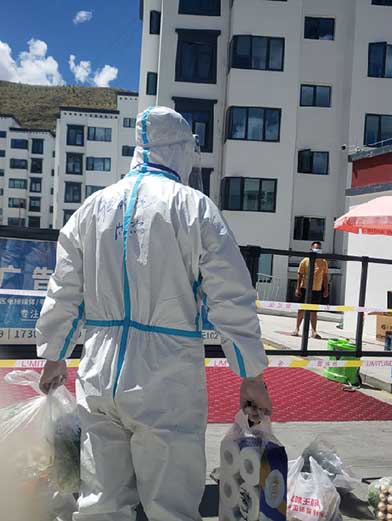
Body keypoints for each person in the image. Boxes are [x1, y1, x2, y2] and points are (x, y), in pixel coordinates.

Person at [36, 107, 271, 521]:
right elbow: (230, 295)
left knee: (101, 502)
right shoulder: (194, 208)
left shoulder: (91, 209)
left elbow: (64, 289)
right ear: (180, 150)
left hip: (100, 370)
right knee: (170, 505)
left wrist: (54, 354)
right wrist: (250, 373)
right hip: (166, 378)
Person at [292, 241, 329, 339]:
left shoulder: (323, 262)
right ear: (311, 249)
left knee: (314, 311)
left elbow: (325, 276)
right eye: (316, 248)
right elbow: (300, 275)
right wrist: (298, 288)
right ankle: (297, 328)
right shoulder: (305, 260)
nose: (318, 250)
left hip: (317, 289)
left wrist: (326, 289)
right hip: (305, 288)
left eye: (319, 248)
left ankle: (313, 331)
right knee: (301, 309)